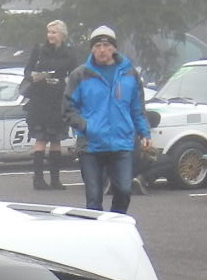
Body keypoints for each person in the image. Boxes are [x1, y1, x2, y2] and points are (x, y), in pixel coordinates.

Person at [63, 25, 150, 214]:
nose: (102, 50)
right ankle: (96, 230)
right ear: (91, 49)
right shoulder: (80, 75)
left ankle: (115, 224)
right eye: (97, 46)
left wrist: (144, 133)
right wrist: (87, 126)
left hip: (122, 143)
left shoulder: (129, 73)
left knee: (124, 190)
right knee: (94, 198)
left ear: (114, 48)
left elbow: (137, 108)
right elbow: (68, 109)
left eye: (106, 45)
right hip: (91, 145)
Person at [22, 19, 77, 190]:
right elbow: (27, 71)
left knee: (56, 140)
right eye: (49, 32)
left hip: (58, 100)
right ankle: (38, 179)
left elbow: (75, 75)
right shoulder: (39, 50)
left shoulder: (70, 54)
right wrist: (35, 76)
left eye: (54, 32)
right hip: (40, 100)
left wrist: (64, 81)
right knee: (41, 138)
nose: (50, 35)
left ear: (62, 35)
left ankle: (55, 180)